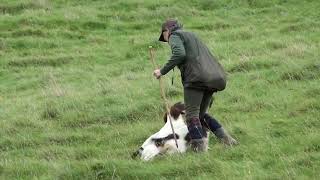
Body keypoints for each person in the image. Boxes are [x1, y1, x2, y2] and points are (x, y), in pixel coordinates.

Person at [153, 19, 237, 152]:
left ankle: (199, 150)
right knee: (201, 115)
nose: (167, 41)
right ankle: (228, 141)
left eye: (164, 36)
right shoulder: (192, 35)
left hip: (196, 79)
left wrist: (161, 71)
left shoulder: (175, 35)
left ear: (167, 31)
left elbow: (179, 54)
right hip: (213, 78)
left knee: (191, 115)